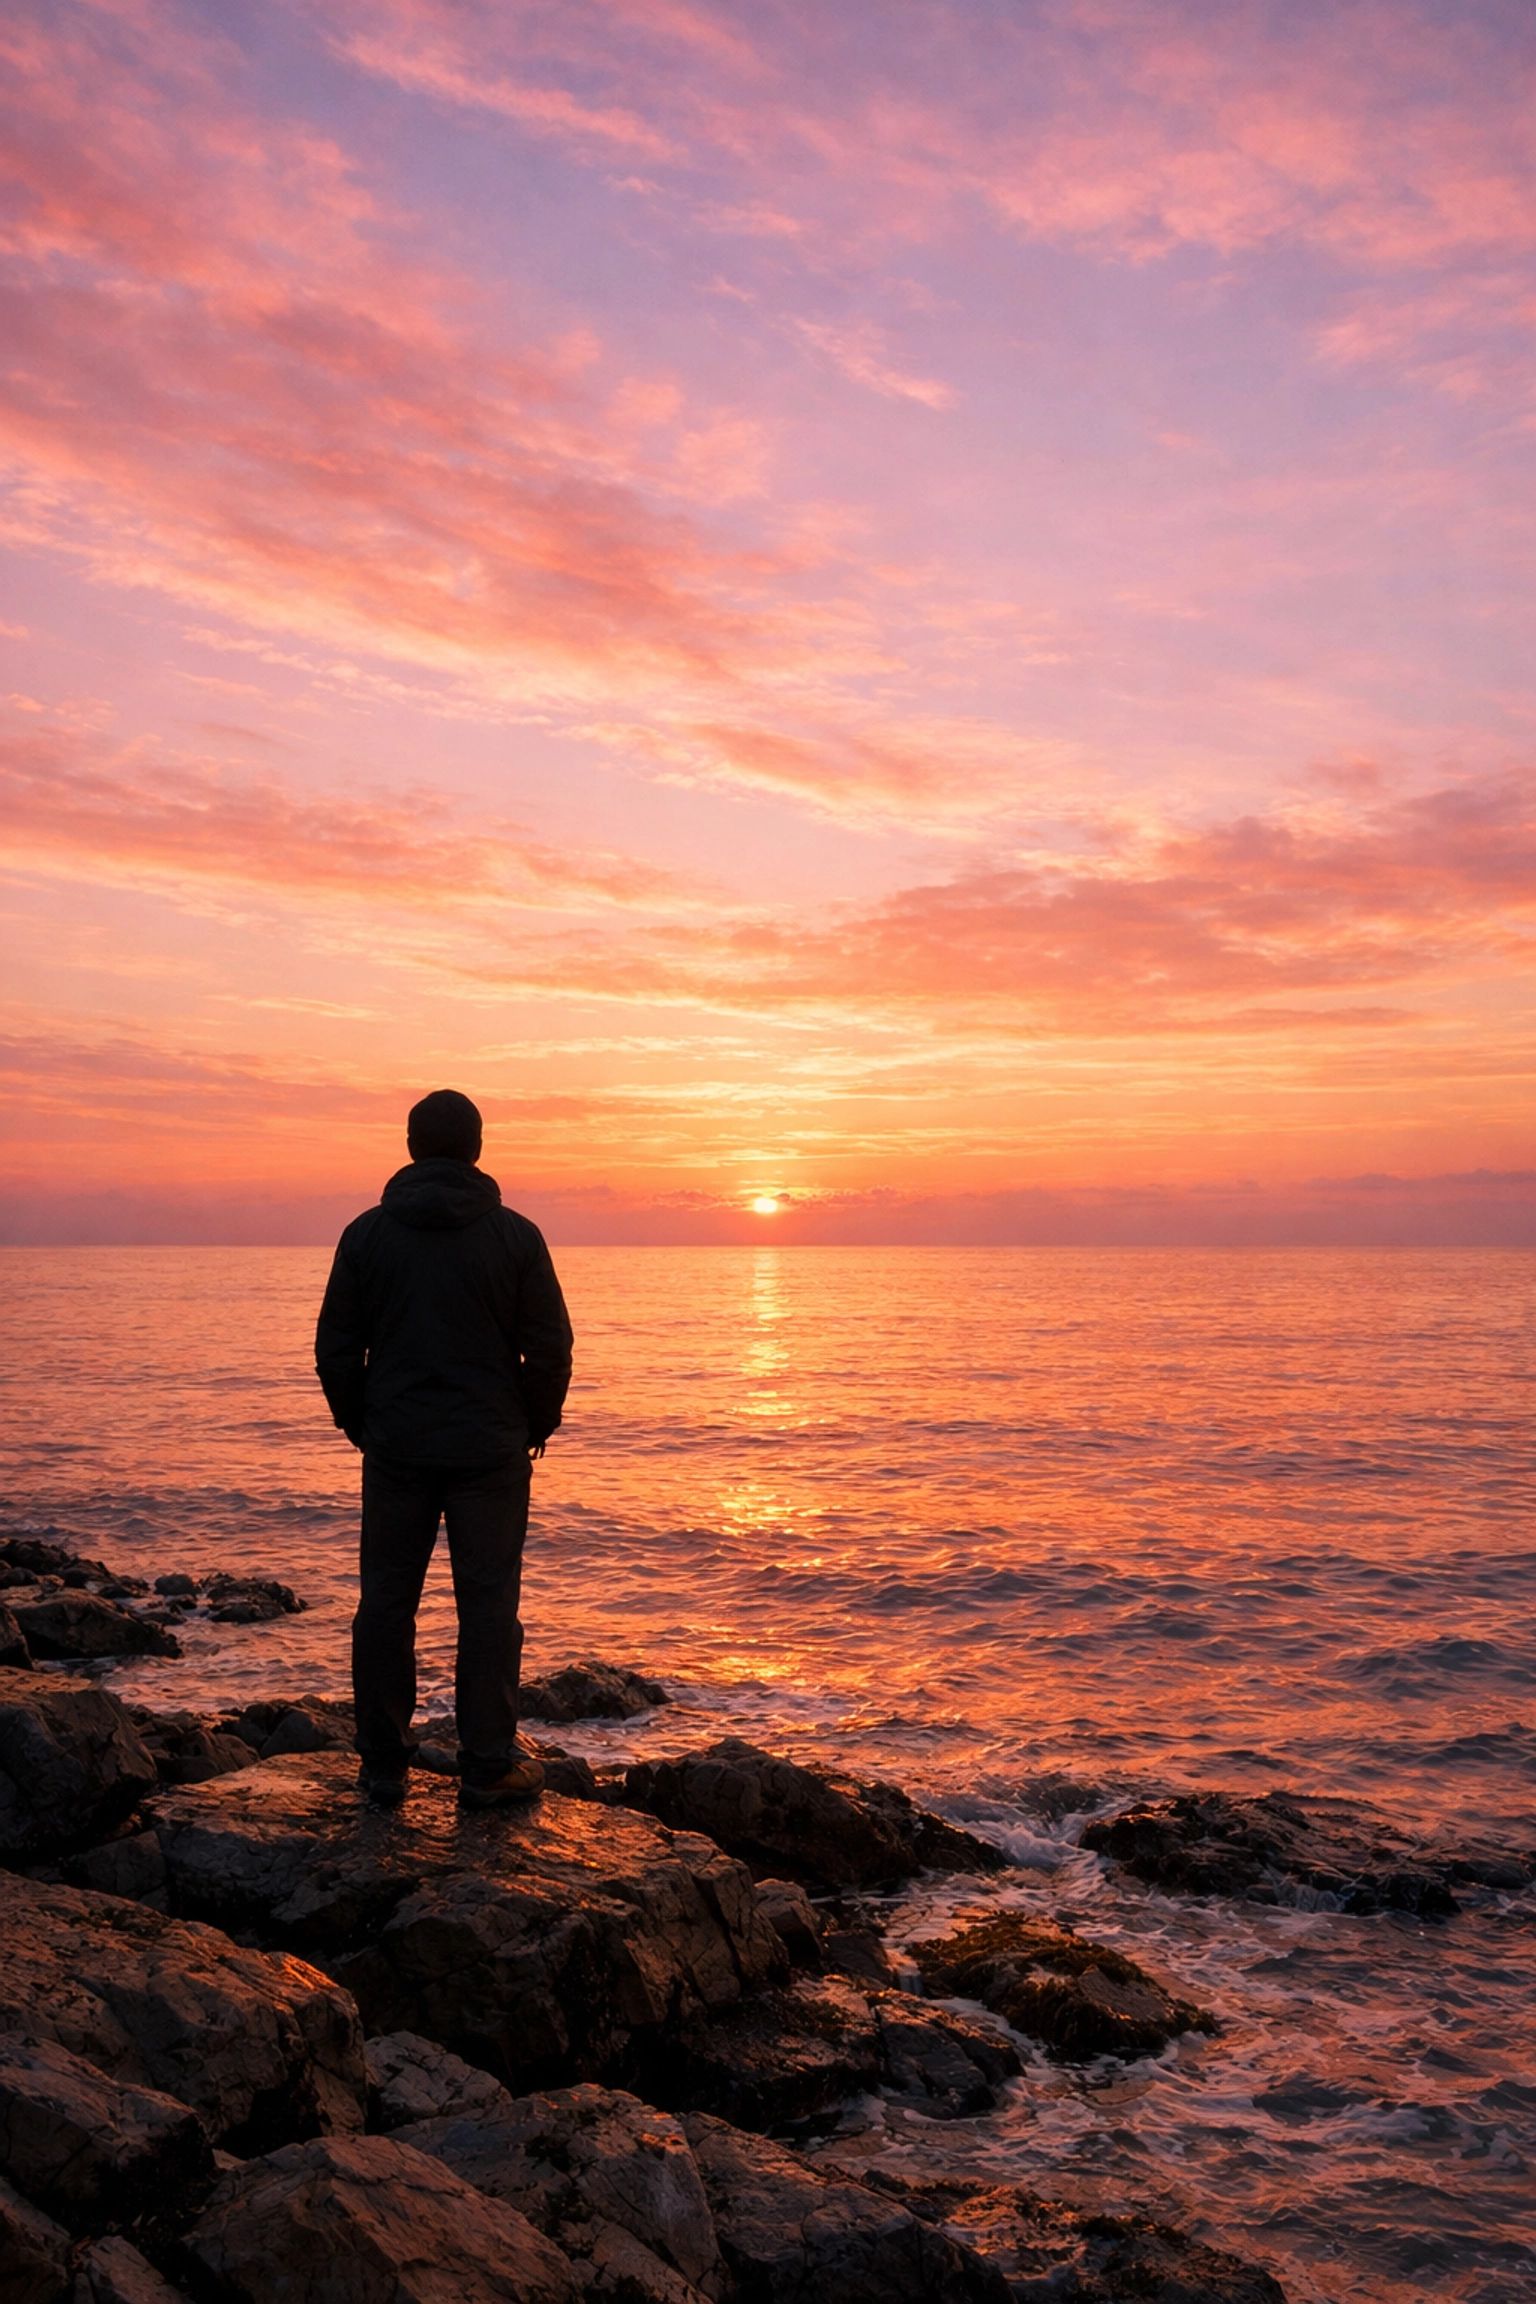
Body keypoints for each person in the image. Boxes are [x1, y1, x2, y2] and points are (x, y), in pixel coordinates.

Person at [315, 1089, 573, 1810]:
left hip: (397, 1446)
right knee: (489, 1607)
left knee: (386, 1605)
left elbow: (335, 1350)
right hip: (489, 1453)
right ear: (478, 1148)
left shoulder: (366, 1237)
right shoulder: (517, 1238)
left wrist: (361, 1423)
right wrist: (535, 1424)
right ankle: (487, 1764)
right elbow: (549, 1349)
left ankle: (384, 1767)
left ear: (409, 1147)